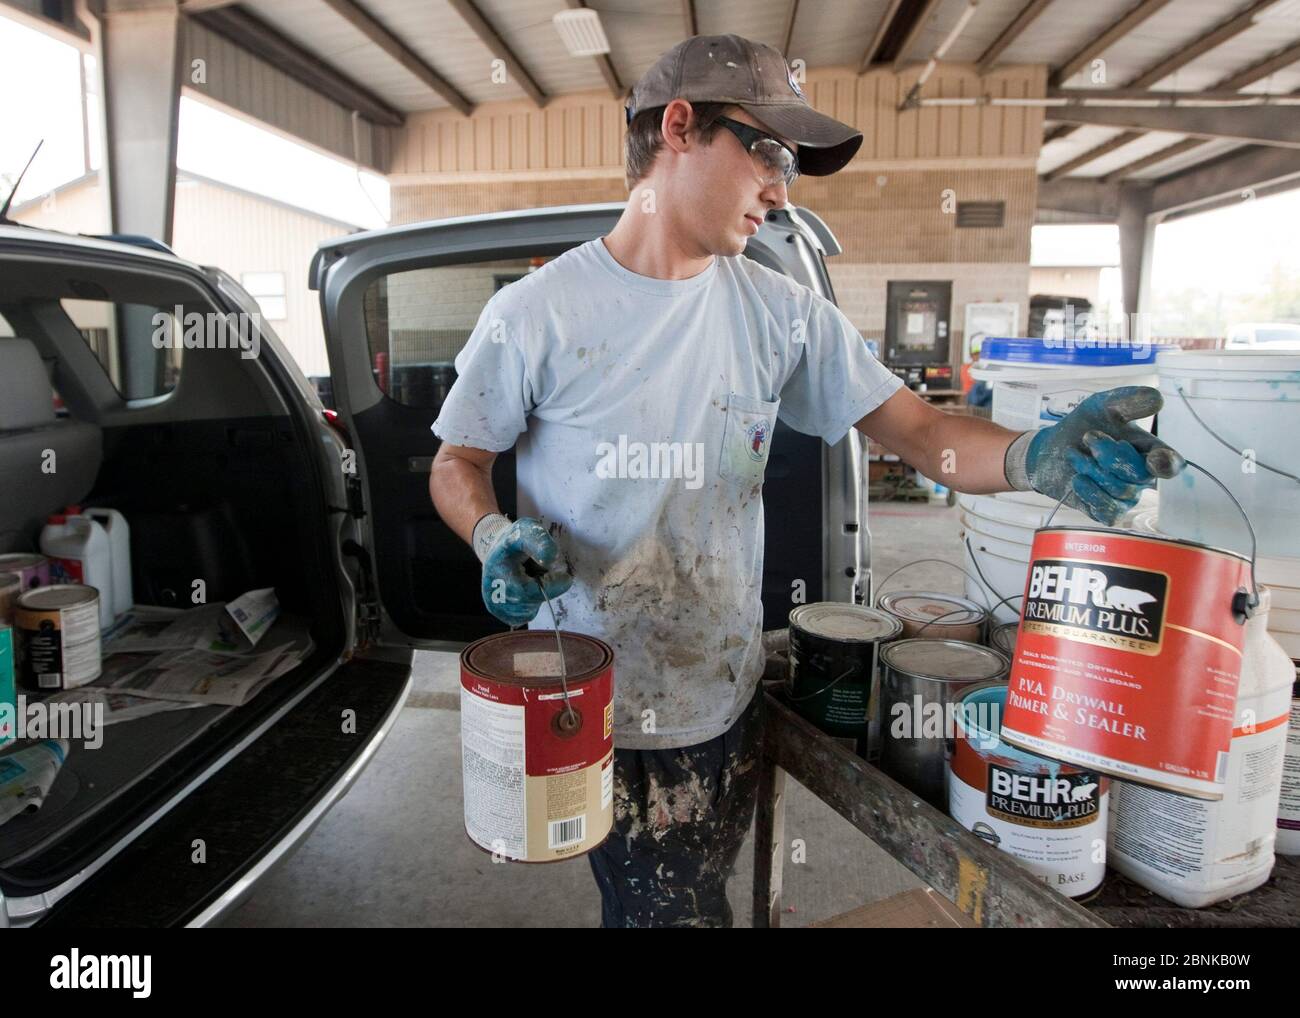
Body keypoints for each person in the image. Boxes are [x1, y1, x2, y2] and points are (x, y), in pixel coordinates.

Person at [428, 34, 1182, 927]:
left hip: (721, 693)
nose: (781, 189)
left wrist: (1031, 457)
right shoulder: (537, 313)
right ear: (679, 126)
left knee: (688, 900)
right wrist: (491, 534)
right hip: (586, 696)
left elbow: (925, 431)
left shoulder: (780, 311)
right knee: (657, 910)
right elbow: (457, 462)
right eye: (770, 152)